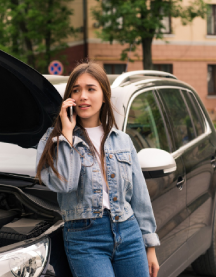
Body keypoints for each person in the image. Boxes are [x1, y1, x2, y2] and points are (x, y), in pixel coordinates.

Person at [36, 62, 160, 277]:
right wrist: (67, 133)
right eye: (76, 90)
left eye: (91, 89)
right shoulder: (54, 140)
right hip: (85, 238)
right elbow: (65, 182)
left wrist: (150, 246)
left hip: (128, 232)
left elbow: (140, 197)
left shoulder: (122, 140)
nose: (83, 95)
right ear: (69, 97)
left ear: (104, 95)